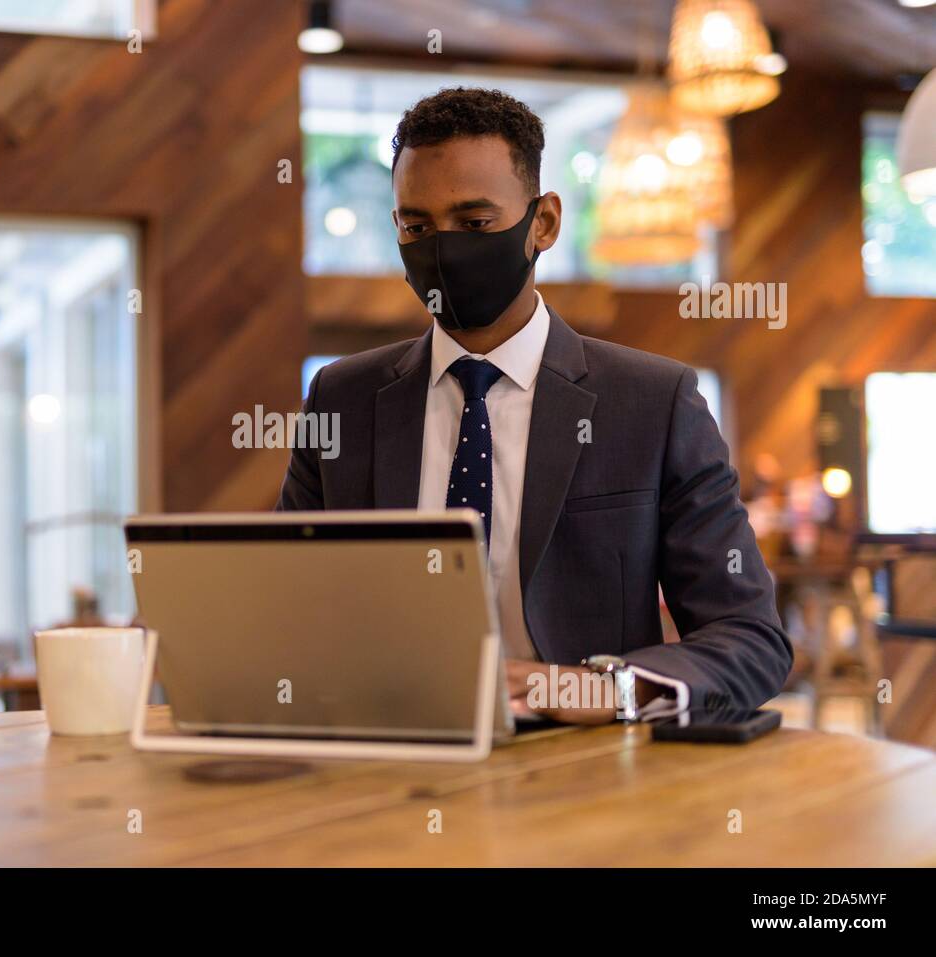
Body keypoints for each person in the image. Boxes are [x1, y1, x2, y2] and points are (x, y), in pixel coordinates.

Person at [277, 87, 791, 724]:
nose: (443, 248)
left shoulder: (653, 404)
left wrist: (598, 690)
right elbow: (289, 611)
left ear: (542, 222)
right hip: (383, 754)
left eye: (474, 223)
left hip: (582, 772)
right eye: (417, 226)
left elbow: (751, 639)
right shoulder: (342, 400)